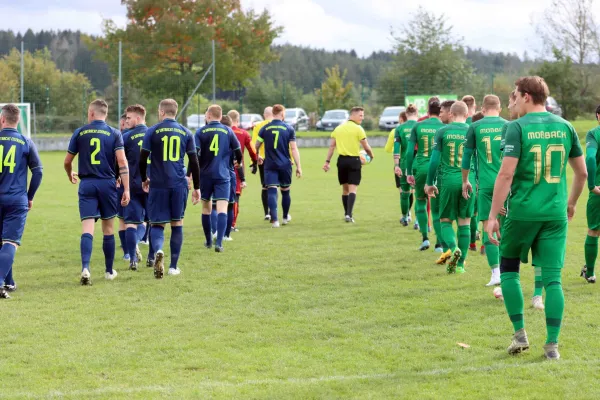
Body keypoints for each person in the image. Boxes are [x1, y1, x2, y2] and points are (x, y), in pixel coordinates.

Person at [486, 76, 587, 360]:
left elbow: (506, 174)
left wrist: (493, 215)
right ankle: (552, 346)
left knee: (508, 269)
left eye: (515, 96)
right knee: (553, 280)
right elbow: (582, 174)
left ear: (527, 97)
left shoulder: (517, 128)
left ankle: (520, 335)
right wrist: (571, 203)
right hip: (555, 213)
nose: (513, 101)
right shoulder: (566, 126)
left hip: (522, 213)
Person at [64, 99, 130, 285]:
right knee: (108, 229)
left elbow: (67, 161)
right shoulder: (114, 133)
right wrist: (126, 188)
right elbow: (122, 163)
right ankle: (109, 271)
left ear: (91, 113)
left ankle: (86, 267)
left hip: (87, 185)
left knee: (87, 228)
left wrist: (70, 174)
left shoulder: (80, 132)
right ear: (105, 114)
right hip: (107, 184)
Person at [139, 99, 200, 278]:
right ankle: (173, 266)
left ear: (161, 112)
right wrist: (197, 187)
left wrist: (144, 179)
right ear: (176, 112)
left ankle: (158, 250)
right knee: (177, 222)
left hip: (158, 184)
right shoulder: (186, 132)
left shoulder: (152, 131)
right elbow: (194, 162)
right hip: (178, 184)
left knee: (157, 223)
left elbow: (143, 159)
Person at [461, 95, 507, 285]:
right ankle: (508, 272)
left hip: (486, 184)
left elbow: (466, 157)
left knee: (488, 226)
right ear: (500, 108)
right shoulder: (509, 125)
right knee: (506, 229)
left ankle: (496, 272)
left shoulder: (475, 126)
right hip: (507, 184)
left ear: (482, 108)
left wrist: (465, 180)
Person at [424, 101, 473, 274]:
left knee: (445, 220)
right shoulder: (472, 130)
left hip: (448, 181)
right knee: (464, 222)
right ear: (467, 115)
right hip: (469, 181)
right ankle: (460, 266)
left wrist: (429, 182)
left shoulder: (443, 131)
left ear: (451, 115)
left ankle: (453, 249)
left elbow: (434, 160)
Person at [0, 104, 43, 298]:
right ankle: (1, 282)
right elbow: (38, 171)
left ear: (2, 119)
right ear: (17, 121)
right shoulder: (25, 141)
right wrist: (30, 196)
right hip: (17, 199)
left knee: (4, 242)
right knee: (10, 242)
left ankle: (8, 282)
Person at [196, 105, 243, 251]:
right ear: (220, 115)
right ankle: (219, 243)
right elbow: (238, 150)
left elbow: (194, 154)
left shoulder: (200, 131)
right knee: (222, 208)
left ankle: (209, 241)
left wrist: (192, 173)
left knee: (206, 208)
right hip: (223, 175)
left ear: (209, 116)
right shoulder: (228, 130)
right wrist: (238, 161)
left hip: (205, 175)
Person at [323, 106, 373, 223]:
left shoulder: (338, 128)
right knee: (352, 189)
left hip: (341, 161)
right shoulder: (358, 129)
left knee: (345, 190)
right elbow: (366, 146)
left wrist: (327, 162)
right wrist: (371, 155)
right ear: (353, 115)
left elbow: (332, 146)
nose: (362, 118)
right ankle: (349, 215)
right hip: (354, 161)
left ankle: (346, 213)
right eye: (361, 115)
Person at [406, 99, 444, 250]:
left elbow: (409, 152)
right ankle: (439, 243)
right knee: (436, 207)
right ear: (440, 112)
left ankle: (425, 238)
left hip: (421, 167)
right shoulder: (444, 127)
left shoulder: (418, 126)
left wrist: (409, 172)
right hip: (439, 169)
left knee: (421, 201)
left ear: (427, 112)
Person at [256, 104, 302, 227]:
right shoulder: (288, 128)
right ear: (282, 114)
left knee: (271, 190)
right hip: (285, 164)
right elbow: (293, 148)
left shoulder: (265, 128)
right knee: (285, 191)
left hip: (270, 164)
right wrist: (298, 166)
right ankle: (285, 217)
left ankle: (275, 220)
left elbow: (256, 144)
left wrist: (257, 155)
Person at [121, 104, 149, 271]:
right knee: (150, 221)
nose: (126, 120)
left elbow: (118, 160)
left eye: (129, 117)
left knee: (130, 223)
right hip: (151, 185)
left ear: (138, 118)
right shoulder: (153, 134)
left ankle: (132, 258)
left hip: (131, 185)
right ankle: (151, 256)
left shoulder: (126, 137)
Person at [228, 110, 258, 231]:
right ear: (238, 119)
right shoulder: (243, 133)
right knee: (235, 197)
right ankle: (232, 224)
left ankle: (218, 224)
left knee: (221, 197)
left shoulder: (222, 132)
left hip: (221, 168)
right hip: (237, 169)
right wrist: (255, 162)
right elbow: (252, 150)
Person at [220, 114, 246, 241]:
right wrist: (243, 178)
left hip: (210, 173)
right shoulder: (232, 136)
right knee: (230, 204)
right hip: (228, 174)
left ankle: (214, 233)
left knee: (212, 205)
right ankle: (226, 233)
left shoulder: (209, 134)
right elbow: (238, 157)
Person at [582, 104, 600, 283]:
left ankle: (591, 272)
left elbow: (590, 158)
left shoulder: (594, 134)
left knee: (594, 230)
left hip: (599, 191)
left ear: (597, 116)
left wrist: (592, 185)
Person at [393, 109, 418, 226]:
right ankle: (418, 221)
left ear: (406, 115)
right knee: (420, 194)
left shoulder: (400, 128)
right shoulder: (420, 126)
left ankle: (405, 217)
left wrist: (396, 165)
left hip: (404, 163)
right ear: (416, 114)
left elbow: (396, 149)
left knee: (405, 192)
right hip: (420, 163)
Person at [252, 106, 273, 220]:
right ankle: (273, 211)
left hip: (262, 159)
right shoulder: (280, 125)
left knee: (265, 186)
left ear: (264, 115)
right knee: (274, 186)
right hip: (276, 159)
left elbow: (254, 144)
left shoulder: (258, 126)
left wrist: (254, 160)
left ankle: (267, 213)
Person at [117, 113, 130, 261]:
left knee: (122, 219)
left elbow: (117, 161)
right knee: (144, 219)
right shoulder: (146, 134)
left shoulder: (119, 138)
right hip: (143, 181)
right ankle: (141, 240)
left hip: (122, 182)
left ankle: (127, 251)